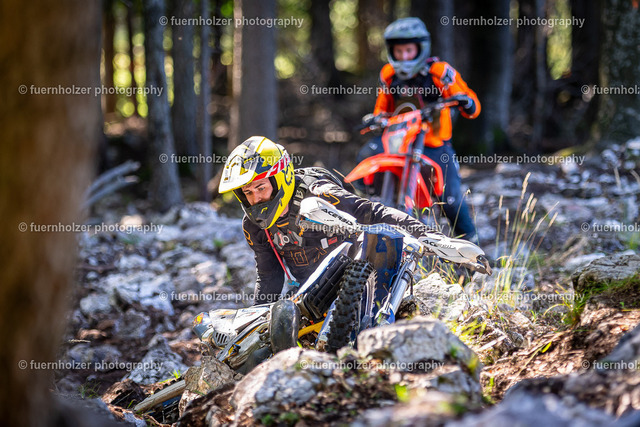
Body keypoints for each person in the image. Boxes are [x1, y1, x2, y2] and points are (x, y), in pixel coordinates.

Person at [219, 136, 488, 305]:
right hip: (310, 294)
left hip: (363, 276)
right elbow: (269, 275)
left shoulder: (319, 192)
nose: (256, 198)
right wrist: (257, 318)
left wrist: (433, 238)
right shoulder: (253, 226)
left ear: (281, 178)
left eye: (261, 187)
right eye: (248, 192)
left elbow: (375, 213)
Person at [356, 17, 481, 243]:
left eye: (409, 50)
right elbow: (382, 108)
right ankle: (370, 217)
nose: (404, 56)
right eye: (399, 51)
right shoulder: (388, 75)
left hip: (434, 145)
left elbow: (469, 101)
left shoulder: (439, 72)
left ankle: (472, 247)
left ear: (420, 48)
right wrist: (376, 119)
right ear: (391, 51)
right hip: (398, 142)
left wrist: (467, 103)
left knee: (450, 198)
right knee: (366, 157)